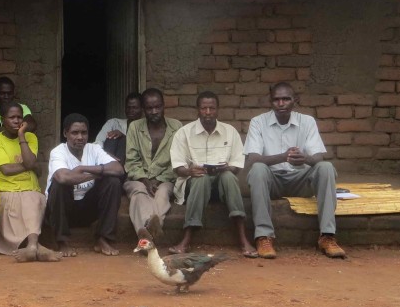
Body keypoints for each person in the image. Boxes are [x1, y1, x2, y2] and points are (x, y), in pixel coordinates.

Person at [244, 82, 345, 259]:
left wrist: (305, 159)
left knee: (326, 167)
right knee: (258, 169)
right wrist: (283, 157)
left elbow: (318, 157)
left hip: (301, 181)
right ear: (270, 102)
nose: (281, 103)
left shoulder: (307, 121)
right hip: (272, 181)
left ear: (295, 101)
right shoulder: (258, 122)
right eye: (276, 100)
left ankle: (327, 236)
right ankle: (263, 236)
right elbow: (252, 159)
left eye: (286, 99)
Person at [168, 91, 255, 257]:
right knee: (201, 178)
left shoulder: (230, 132)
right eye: (204, 108)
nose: (208, 112)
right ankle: (186, 239)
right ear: (197, 110)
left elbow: (236, 166)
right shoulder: (184, 133)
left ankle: (243, 238)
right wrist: (190, 171)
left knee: (229, 177)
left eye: (212, 108)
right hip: (193, 186)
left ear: (218, 110)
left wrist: (226, 168)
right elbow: (178, 167)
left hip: (221, 187)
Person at [0, 101, 60, 262]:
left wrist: (21, 136)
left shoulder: (30, 137)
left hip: (29, 188)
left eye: (19, 117)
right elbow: (6, 170)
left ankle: (32, 246)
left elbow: (28, 162)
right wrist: (29, 167)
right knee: (16, 205)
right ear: (2, 119)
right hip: (6, 189)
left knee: (33, 200)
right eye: (11, 117)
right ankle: (37, 248)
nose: (16, 121)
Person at [44, 113, 125, 257]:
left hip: (88, 210)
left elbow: (118, 169)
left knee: (113, 182)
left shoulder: (94, 149)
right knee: (58, 185)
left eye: (84, 132)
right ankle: (62, 241)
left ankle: (103, 238)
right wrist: (99, 173)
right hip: (63, 211)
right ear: (65, 133)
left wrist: (83, 168)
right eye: (75, 133)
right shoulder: (58, 151)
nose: (80, 137)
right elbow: (63, 177)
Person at [124, 88, 183, 242]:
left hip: (167, 179)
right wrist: (144, 180)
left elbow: (179, 160)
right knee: (139, 191)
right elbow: (131, 160)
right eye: (149, 108)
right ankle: (150, 230)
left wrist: (160, 179)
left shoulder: (176, 127)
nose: (154, 111)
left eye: (158, 107)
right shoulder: (135, 127)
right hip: (138, 178)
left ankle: (145, 236)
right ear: (143, 110)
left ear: (164, 106)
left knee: (162, 193)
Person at [94, 92, 144, 163]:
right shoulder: (113, 123)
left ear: (142, 109)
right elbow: (97, 142)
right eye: (128, 107)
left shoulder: (147, 127)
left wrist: (123, 137)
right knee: (112, 136)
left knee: (120, 139)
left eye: (135, 108)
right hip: (109, 160)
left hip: (134, 163)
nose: (131, 111)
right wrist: (106, 155)